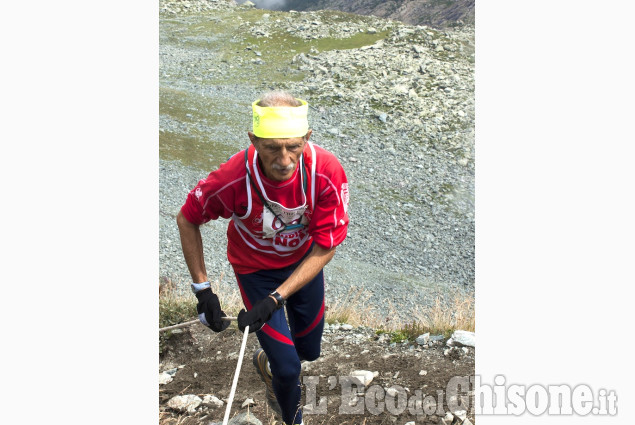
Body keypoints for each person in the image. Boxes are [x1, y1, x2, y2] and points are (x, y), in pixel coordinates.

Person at [176, 90, 350, 425]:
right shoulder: (232, 178)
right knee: (289, 368)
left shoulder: (326, 172)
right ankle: (291, 418)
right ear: (254, 141)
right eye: (272, 148)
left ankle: (268, 363)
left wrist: (278, 298)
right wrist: (204, 291)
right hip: (255, 270)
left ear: (307, 138)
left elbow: (326, 245)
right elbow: (187, 218)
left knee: (308, 352)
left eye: (293, 147)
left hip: (303, 266)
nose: (284, 159)